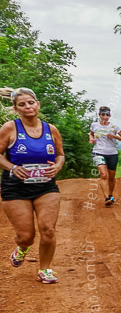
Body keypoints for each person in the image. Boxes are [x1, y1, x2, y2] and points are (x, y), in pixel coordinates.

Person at [0, 88, 65, 283]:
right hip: (15, 188)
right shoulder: (9, 128)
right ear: (16, 109)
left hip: (46, 186)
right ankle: (22, 247)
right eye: (22, 104)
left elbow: (60, 154)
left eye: (30, 103)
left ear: (38, 104)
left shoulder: (51, 129)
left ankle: (44, 269)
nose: (27, 107)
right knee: (26, 236)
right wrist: (12, 168)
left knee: (48, 229)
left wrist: (58, 166)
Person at [88, 106, 121, 206]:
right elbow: (91, 134)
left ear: (109, 116)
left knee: (111, 177)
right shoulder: (94, 125)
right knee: (103, 174)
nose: (105, 117)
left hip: (112, 153)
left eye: (107, 115)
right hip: (98, 151)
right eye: (103, 114)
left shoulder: (114, 127)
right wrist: (91, 139)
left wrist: (114, 136)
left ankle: (110, 195)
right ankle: (106, 198)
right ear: (99, 115)